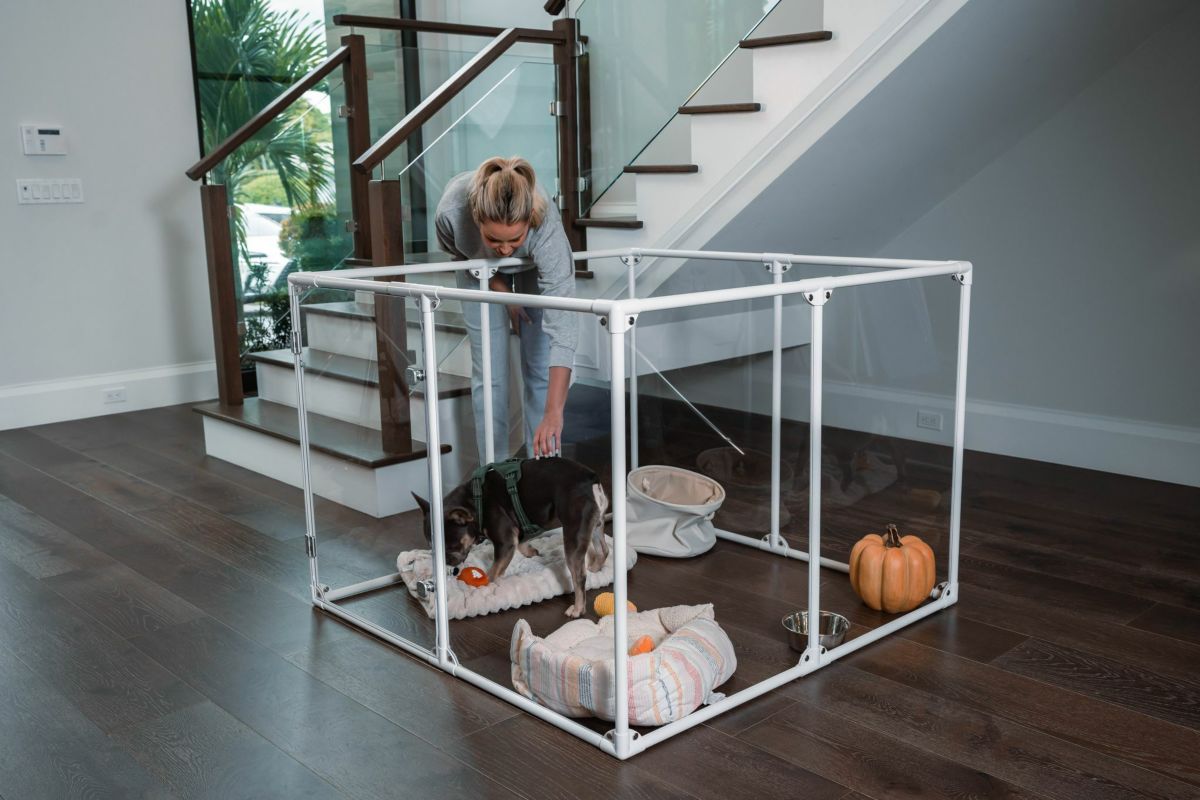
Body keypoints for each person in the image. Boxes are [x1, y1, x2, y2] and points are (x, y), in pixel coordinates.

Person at [434, 156, 578, 462]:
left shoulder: (546, 225)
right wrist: (504, 292)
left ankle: (544, 468)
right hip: (476, 267)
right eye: (493, 239)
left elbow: (563, 326)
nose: (504, 249)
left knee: (540, 367)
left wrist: (554, 413)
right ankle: (495, 472)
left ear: (529, 222)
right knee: (490, 374)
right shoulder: (451, 212)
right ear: (476, 219)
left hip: (532, 267)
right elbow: (458, 252)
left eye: (515, 239)